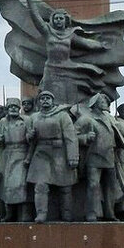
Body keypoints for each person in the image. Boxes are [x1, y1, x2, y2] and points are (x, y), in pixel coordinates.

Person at [25, 90, 80, 222]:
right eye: (42, 98)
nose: (45, 100)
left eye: (48, 98)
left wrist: (72, 156)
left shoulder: (62, 116)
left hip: (59, 152)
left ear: (52, 100)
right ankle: (41, 214)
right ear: (39, 101)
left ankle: (66, 213)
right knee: (40, 185)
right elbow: (28, 139)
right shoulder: (34, 117)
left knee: (65, 186)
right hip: (41, 153)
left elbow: (71, 137)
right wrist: (29, 136)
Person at [74, 93, 120, 221]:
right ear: (94, 103)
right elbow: (72, 135)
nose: (105, 103)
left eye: (106, 101)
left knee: (111, 186)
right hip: (94, 156)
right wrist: (85, 138)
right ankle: (91, 213)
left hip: (109, 156)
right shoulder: (86, 119)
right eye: (102, 101)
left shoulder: (109, 119)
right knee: (93, 185)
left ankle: (110, 213)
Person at [0, 98, 33, 222]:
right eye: (10, 107)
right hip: (6, 155)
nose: (13, 109)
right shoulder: (3, 122)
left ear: (19, 108)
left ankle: (24, 213)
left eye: (16, 106)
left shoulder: (26, 120)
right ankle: (8, 213)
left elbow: (32, 141)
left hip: (21, 153)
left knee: (20, 184)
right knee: (4, 185)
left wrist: (28, 156)